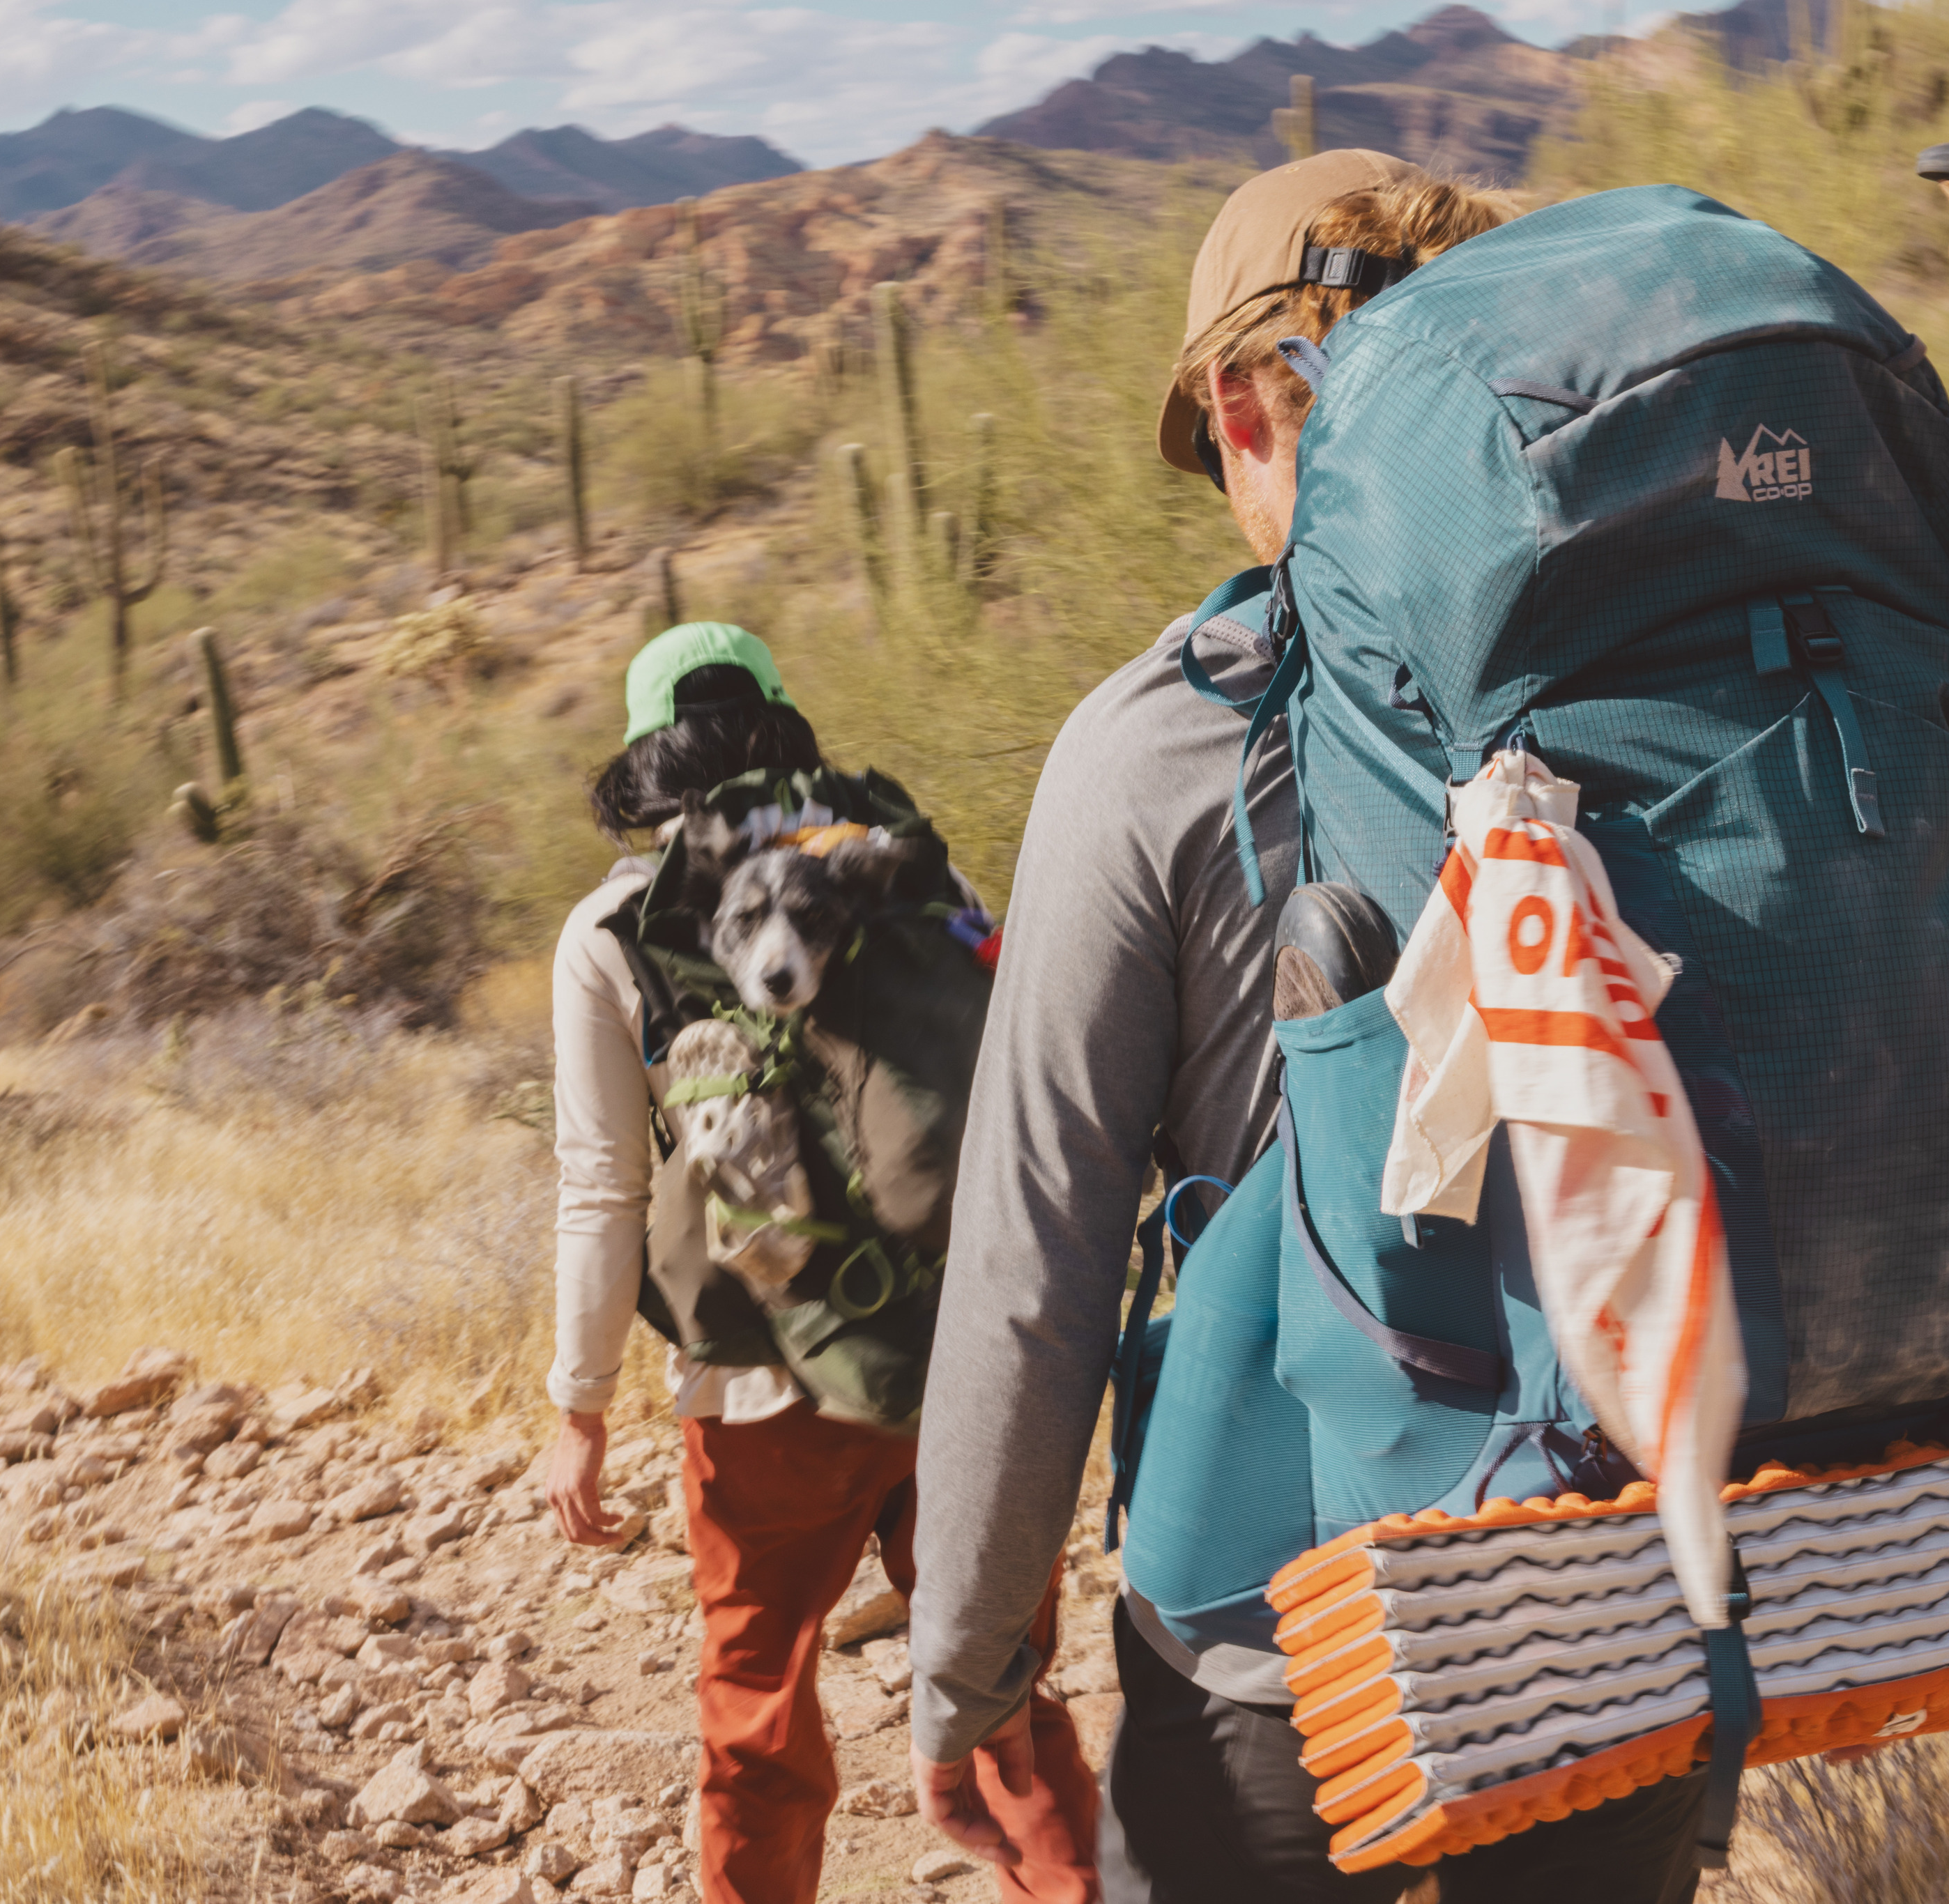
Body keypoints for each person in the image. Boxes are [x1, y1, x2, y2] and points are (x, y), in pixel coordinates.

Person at [904, 155, 1713, 1901]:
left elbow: (1036, 1251)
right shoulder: (1664, 694)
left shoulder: (1154, 748)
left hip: (1286, 1630)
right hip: (1630, 1585)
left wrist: (966, 1661)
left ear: (1237, 405)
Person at [544, 621, 1101, 1904]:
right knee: (1003, 1693)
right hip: (964, 1356)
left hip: (762, 1387)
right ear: (783, 729)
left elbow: (603, 1186)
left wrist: (580, 1407)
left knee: (757, 1717)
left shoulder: (611, 929)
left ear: (643, 760)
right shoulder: (895, 873)